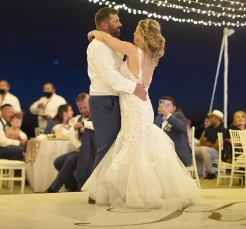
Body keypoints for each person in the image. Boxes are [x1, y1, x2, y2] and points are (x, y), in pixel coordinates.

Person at [82, 17, 200, 211]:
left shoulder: (132, 50)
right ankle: (146, 189)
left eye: (136, 31)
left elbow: (111, 41)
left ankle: (135, 192)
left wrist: (96, 32)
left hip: (133, 104)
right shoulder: (151, 58)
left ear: (143, 34)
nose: (133, 33)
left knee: (134, 143)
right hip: (143, 104)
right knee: (142, 144)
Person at [86, 7, 147, 175]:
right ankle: (96, 192)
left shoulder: (110, 43)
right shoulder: (99, 46)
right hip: (104, 99)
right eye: (116, 21)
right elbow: (108, 75)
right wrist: (133, 87)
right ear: (104, 25)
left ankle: (109, 189)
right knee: (106, 146)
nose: (120, 24)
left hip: (116, 99)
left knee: (115, 146)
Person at [154, 96, 192, 167]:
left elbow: (182, 128)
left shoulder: (178, 116)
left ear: (174, 108)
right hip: (161, 152)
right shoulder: (158, 118)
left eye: (168, 105)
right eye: (163, 105)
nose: (165, 107)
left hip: (177, 154)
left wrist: (167, 115)